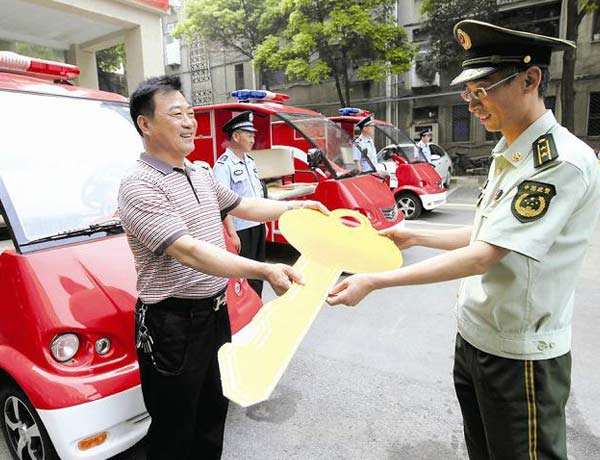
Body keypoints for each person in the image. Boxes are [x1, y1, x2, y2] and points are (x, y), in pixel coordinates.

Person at [327, 19, 600, 460]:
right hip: (477, 340)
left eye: (484, 89)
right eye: (468, 93)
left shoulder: (560, 162)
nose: (473, 103)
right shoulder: (509, 151)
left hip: (520, 356)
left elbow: (483, 256)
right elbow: (485, 233)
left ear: (531, 80)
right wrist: (411, 231)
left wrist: (374, 281)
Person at [118, 75, 328, 460]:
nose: (189, 122)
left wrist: (295, 207)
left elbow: (244, 206)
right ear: (145, 124)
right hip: (172, 326)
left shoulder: (198, 172)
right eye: (176, 114)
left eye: (191, 113)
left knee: (213, 414)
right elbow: (190, 251)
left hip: (214, 315)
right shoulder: (139, 185)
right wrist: (263, 270)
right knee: (175, 428)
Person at [213, 111, 266, 296]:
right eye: (249, 135)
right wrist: (232, 234)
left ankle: (257, 304)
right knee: (244, 275)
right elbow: (221, 203)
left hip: (257, 225)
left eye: (253, 135)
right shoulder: (223, 165)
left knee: (259, 270)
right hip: (241, 229)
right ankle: (247, 311)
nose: (253, 139)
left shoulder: (250, 162)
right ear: (236, 136)